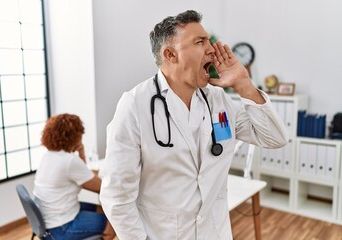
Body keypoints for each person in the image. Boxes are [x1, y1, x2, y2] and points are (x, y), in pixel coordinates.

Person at [100, 10, 288, 240]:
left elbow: (275, 138)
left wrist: (243, 84)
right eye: (200, 42)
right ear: (170, 54)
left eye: (209, 40)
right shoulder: (135, 105)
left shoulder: (218, 100)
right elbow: (117, 197)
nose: (212, 48)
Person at [33, 113, 115, 240]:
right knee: (115, 220)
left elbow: (83, 174)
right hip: (61, 228)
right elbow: (102, 187)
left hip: (48, 221)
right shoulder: (69, 161)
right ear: (73, 137)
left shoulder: (48, 156)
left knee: (101, 209)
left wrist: (81, 153)